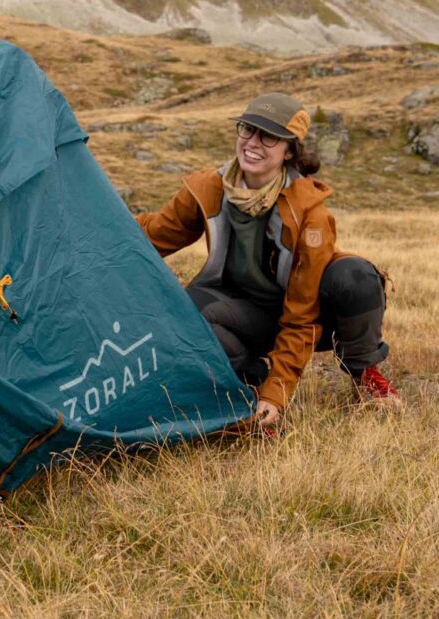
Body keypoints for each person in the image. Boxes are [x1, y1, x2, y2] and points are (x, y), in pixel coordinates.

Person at [135, 92, 396, 429]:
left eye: (268, 136)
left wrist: (278, 392)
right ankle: (248, 380)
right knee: (190, 311)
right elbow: (152, 236)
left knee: (354, 276)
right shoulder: (209, 187)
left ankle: (364, 374)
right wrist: (93, 225)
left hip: (311, 317)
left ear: (289, 151)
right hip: (244, 315)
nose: (253, 143)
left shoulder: (309, 213)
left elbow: (302, 317)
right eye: (247, 130)